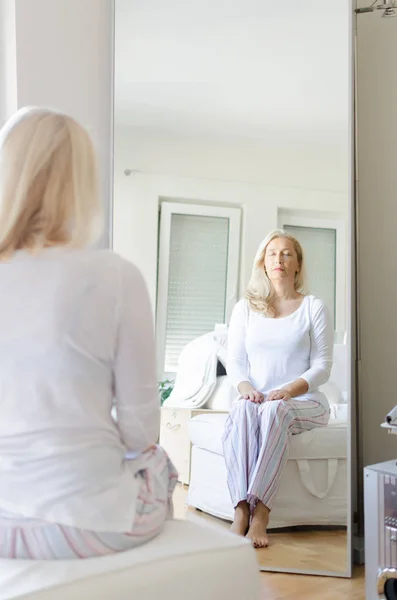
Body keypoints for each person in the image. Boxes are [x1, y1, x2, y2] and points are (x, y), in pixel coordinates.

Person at [0, 107, 177, 560]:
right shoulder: (115, 276)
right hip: (88, 523)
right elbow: (141, 433)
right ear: (80, 183)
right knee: (160, 464)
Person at [223, 230, 333, 548]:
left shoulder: (313, 307)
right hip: (257, 399)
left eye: (287, 254)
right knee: (243, 409)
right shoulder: (245, 309)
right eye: (272, 254)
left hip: (305, 401)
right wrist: (245, 389)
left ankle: (261, 515)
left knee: (274, 408)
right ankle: (241, 509)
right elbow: (236, 361)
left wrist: (289, 389)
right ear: (263, 263)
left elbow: (322, 366)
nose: (279, 259)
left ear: (298, 264)